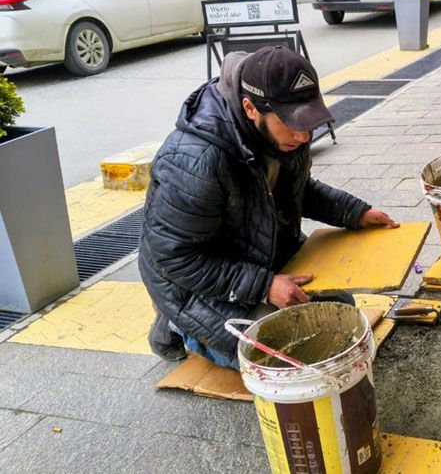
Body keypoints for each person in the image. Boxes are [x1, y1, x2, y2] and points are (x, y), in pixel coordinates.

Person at [139, 46, 399, 369]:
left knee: (338, 311)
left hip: (255, 252)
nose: (303, 136)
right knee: (280, 357)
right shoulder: (194, 161)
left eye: (308, 122)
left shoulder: (286, 137)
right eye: (292, 124)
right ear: (251, 108)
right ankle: (175, 324)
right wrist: (264, 287)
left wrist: (354, 212)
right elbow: (175, 258)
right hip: (190, 281)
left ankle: (252, 302)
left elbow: (299, 191)